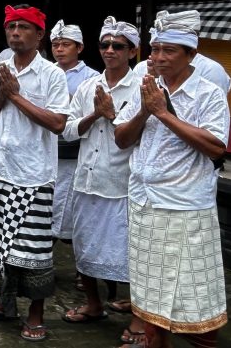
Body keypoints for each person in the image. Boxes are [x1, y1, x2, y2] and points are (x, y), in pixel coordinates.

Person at [115, 10, 229, 348]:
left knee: (195, 289)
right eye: (156, 50)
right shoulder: (147, 86)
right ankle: (153, 342)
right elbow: (122, 138)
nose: (160, 57)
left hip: (185, 205)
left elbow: (215, 147)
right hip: (144, 200)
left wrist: (163, 113)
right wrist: (145, 110)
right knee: (150, 285)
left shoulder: (208, 93)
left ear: (191, 54)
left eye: (170, 51)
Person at [0, 5, 68, 343]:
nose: (14, 33)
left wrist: (16, 95)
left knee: (34, 250)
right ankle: (2, 304)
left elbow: (58, 123)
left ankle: (36, 314)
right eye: (10, 26)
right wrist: (2, 95)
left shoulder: (52, 74)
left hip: (34, 174)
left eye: (23, 27)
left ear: (40, 35)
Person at [60, 17, 142, 342]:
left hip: (122, 183)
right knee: (84, 247)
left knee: (130, 253)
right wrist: (94, 114)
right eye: (104, 45)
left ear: (132, 51)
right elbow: (66, 130)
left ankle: (139, 316)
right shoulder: (88, 86)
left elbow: (140, 135)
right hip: (86, 179)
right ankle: (93, 304)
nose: (109, 50)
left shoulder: (142, 87)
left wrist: (111, 114)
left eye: (117, 46)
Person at [50, 20, 99, 243]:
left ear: (79, 47)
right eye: (55, 45)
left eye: (65, 44)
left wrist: (61, 100)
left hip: (73, 150)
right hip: (47, 147)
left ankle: (79, 266)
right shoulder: (46, 71)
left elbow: (89, 111)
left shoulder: (91, 77)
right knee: (46, 205)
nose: (59, 49)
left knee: (71, 205)